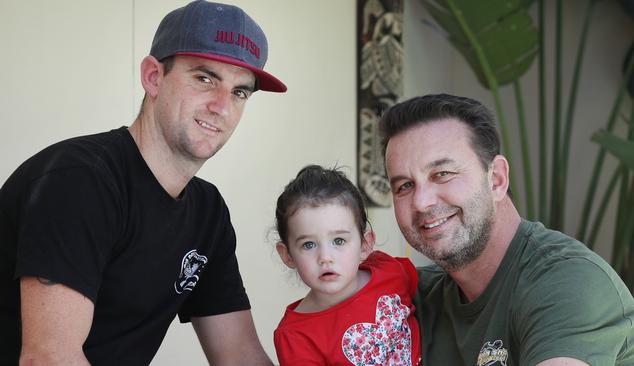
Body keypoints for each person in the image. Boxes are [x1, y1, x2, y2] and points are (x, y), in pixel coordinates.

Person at [0, 1, 286, 365]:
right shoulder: (81, 182)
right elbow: (48, 359)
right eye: (204, 78)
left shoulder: (207, 212)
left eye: (239, 92)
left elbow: (240, 356)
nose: (222, 106)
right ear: (153, 76)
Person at [378, 93, 634, 365]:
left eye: (442, 174)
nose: (422, 202)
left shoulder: (570, 282)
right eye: (404, 186)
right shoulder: (407, 299)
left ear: (496, 179)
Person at [273, 165, 422, 365]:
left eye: (339, 241)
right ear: (288, 255)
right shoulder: (294, 335)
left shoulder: (391, 271)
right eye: (308, 244)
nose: (325, 257)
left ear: (365, 244)